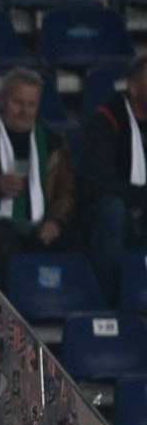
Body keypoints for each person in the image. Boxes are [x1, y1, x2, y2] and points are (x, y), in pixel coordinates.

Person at [0, 68, 74, 277]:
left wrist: (56, 221)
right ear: (1, 100)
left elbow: (65, 189)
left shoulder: (52, 140)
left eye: (31, 104)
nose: (24, 111)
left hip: (43, 222)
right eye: (18, 102)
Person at [77, 55, 147, 299]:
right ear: (133, 86)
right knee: (112, 210)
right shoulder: (105, 121)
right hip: (107, 213)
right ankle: (107, 299)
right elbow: (99, 183)